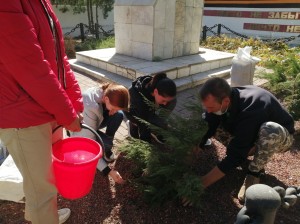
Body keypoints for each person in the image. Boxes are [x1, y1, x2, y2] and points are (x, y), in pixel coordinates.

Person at [0, 1, 83, 223]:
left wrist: (74, 102)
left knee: (48, 180)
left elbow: (59, 58)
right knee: (41, 191)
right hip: (23, 114)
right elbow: (31, 66)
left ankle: (48, 216)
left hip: (47, 106)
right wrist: (67, 113)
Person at [197, 77, 294, 202]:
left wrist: (202, 183)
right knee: (209, 121)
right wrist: (198, 145)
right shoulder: (228, 98)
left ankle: (254, 173)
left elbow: (235, 156)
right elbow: (209, 122)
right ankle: (246, 150)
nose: (208, 110)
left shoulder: (252, 108)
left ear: (225, 101)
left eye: (210, 107)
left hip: (280, 137)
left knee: (270, 130)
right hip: (251, 131)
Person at [72, 83, 129, 184]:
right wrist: (108, 171)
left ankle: (105, 148)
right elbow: (88, 144)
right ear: (106, 99)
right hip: (80, 130)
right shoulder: (89, 106)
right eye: (114, 108)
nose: (114, 111)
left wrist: (128, 124)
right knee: (106, 143)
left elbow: (121, 112)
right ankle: (105, 146)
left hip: (96, 119)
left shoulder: (107, 92)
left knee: (119, 115)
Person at [126, 73, 177, 143]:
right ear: (156, 91)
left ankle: (156, 129)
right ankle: (132, 125)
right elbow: (143, 122)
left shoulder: (158, 84)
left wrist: (162, 124)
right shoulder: (138, 97)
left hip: (148, 110)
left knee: (172, 101)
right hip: (133, 112)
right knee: (143, 122)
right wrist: (146, 145)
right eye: (163, 100)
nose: (165, 103)